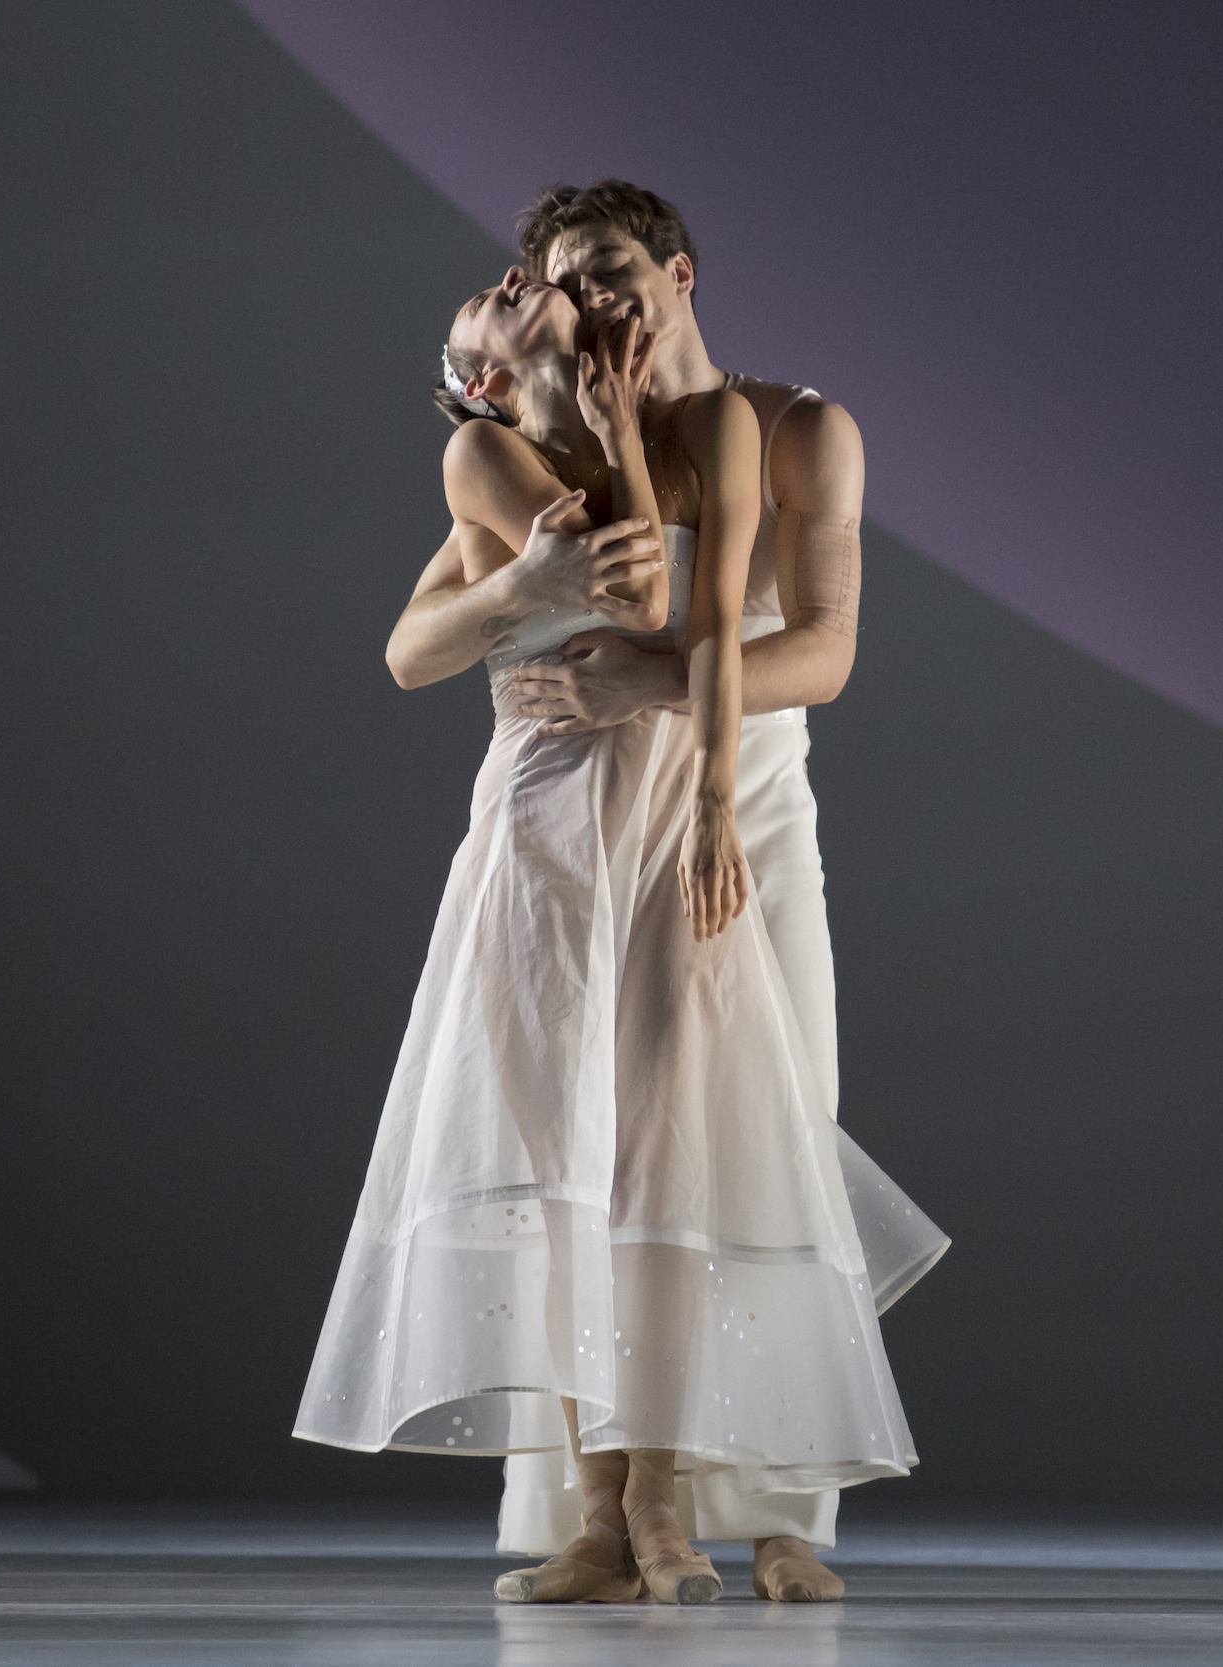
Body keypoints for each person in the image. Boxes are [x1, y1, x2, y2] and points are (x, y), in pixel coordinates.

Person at [293, 266, 930, 1607]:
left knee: (734, 1150)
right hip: (560, 821)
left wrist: (648, 653)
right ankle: (614, 1514)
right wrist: (523, 583)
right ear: (484, 374)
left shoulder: (755, 427)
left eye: (596, 274)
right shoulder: (496, 453)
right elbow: (419, 644)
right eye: (541, 279)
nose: (561, 290)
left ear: (674, 277)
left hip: (708, 801)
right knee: (575, 1167)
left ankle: (759, 1507)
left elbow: (748, 631)